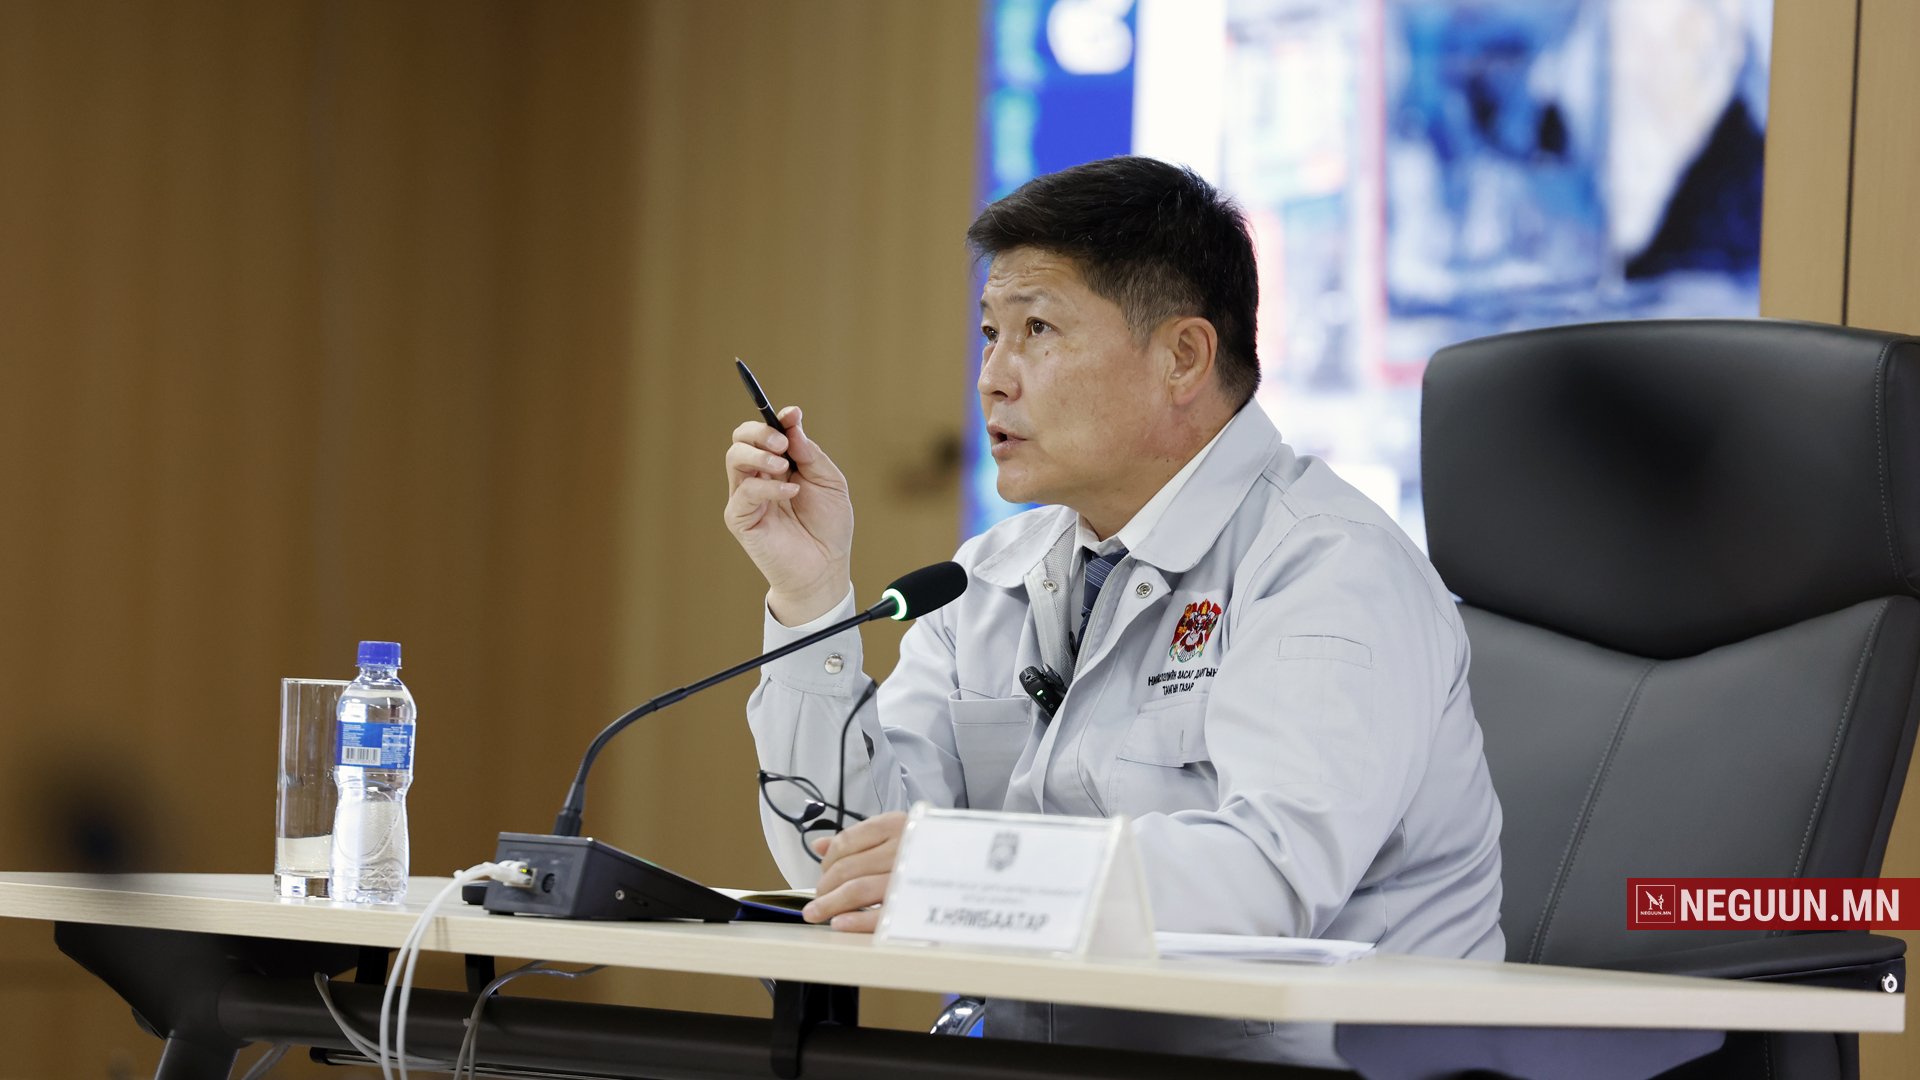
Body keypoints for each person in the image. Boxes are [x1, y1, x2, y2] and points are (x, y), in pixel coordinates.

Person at [721, 155, 1504, 1069]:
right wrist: (811, 596)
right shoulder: (987, 579)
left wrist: (973, 869)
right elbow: (844, 862)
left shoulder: (1330, 568)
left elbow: (1269, 876)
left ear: (1183, 358)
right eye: (989, 333)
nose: (992, 377)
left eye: (1038, 329)